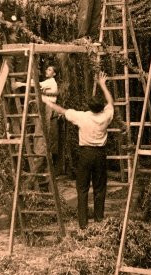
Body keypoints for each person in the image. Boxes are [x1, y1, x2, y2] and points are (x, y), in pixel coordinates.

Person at [44, 71, 114, 229]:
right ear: (102, 107)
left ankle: (83, 225)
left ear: (89, 106)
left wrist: (47, 102)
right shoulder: (106, 116)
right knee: (99, 188)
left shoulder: (82, 116)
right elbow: (111, 102)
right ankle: (98, 221)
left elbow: (61, 110)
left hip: (85, 154)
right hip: (100, 154)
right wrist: (103, 84)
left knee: (82, 189)